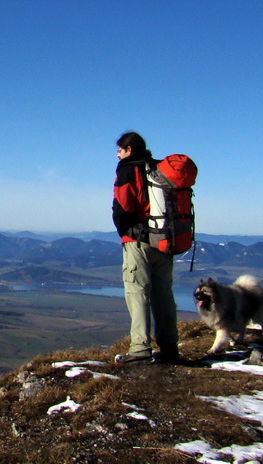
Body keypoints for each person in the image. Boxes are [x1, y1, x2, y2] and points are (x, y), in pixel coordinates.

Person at [111, 131, 180, 364]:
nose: (117, 154)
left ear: (129, 149)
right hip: (164, 240)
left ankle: (140, 349)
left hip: (138, 241)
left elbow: (123, 203)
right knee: (163, 294)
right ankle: (170, 347)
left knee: (137, 293)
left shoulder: (128, 168)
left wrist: (124, 231)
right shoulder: (159, 168)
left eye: (120, 150)